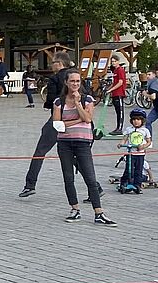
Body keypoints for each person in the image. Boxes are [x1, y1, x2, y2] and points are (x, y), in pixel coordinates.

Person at [52, 71, 116, 225]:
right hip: (65, 143)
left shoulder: (87, 99)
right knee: (68, 178)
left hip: (83, 143)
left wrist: (77, 103)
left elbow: (88, 118)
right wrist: (77, 120)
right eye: (72, 81)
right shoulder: (59, 102)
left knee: (90, 178)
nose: (75, 84)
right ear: (66, 83)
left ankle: (98, 212)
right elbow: (57, 125)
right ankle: (75, 209)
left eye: (77, 81)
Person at [19, 52, 76, 197]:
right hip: (75, 120)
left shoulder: (55, 78)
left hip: (57, 119)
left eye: (53, 63)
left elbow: (51, 100)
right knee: (75, 155)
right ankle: (95, 187)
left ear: (59, 63)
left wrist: (47, 104)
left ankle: (30, 184)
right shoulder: (76, 77)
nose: (51, 66)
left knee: (40, 151)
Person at [118, 110, 152, 191]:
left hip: (140, 154)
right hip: (130, 154)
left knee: (138, 170)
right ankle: (123, 183)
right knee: (128, 170)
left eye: (138, 120)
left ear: (142, 121)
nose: (136, 122)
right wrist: (121, 144)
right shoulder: (129, 129)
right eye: (134, 120)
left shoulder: (145, 130)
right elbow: (125, 139)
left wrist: (143, 146)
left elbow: (149, 141)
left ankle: (137, 184)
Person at [108, 58, 129, 135]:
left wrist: (111, 90)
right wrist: (109, 89)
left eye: (114, 61)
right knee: (117, 112)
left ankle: (120, 128)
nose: (113, 63)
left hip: (119, 93)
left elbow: (120, 82)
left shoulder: (120, 70)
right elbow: (115, 82)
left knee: (120, 111)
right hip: (115, 94)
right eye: (112, 61)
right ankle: (117, 128)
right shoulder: (115, 70)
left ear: (118, 62)